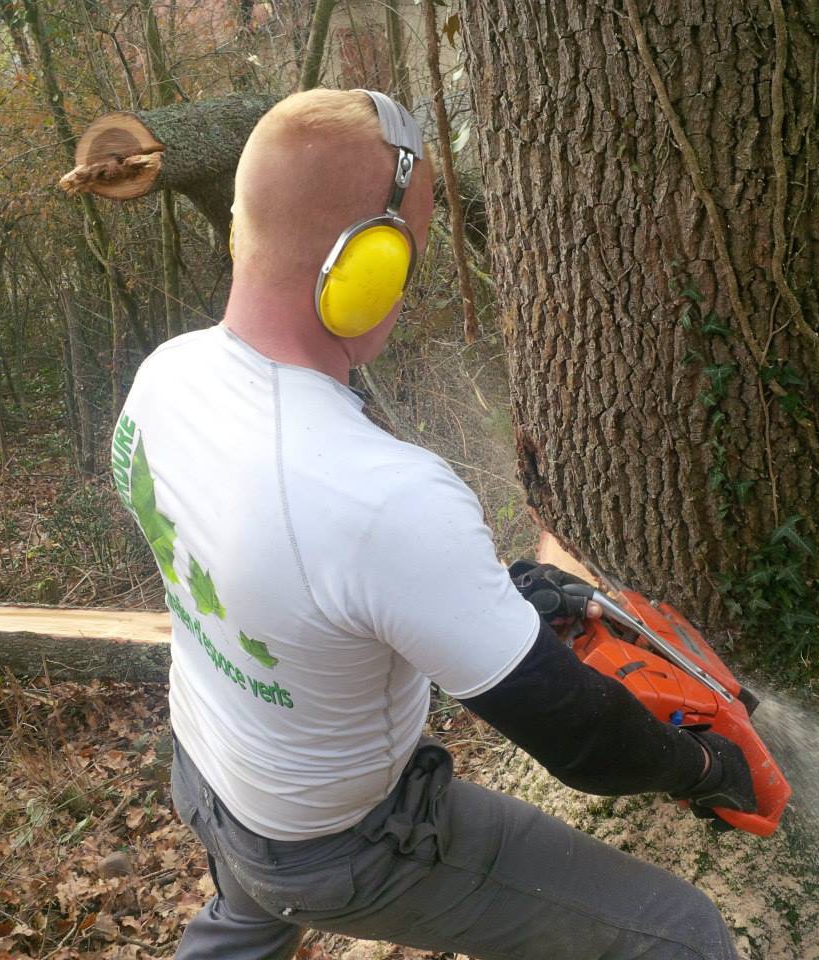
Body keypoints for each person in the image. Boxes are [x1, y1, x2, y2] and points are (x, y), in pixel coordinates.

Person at [112, 88, 756, 960]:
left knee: (248, 909)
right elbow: (581, 742)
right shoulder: (387, 500)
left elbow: (294, 581)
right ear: (364, 265)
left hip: (210, 775)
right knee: (684, 936)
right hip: (342, 842)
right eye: (407, 255)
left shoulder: (164, 377)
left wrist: (489, 598)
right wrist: (704, 769)